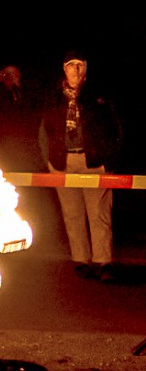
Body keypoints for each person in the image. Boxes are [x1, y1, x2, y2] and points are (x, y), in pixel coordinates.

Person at [39, 51, 122, 283]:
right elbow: (44, 130)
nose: (74, 71)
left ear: (85, 68)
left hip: (94, 161)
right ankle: (81, 260)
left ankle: (103, 262)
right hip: (62, 161)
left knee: (99, 213)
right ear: (63, 69)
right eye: (70, 66)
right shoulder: (55, 96)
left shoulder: (99, 94)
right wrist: (49, 160)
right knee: (72, 214)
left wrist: (109, 159)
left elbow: (115, 127)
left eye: (79, 66)